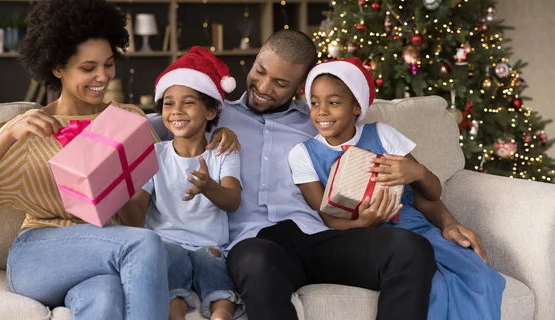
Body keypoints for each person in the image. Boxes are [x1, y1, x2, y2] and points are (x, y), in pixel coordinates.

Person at [150, 30, 440, 320]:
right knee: (255, 261)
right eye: (260, 71)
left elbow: (399, 167)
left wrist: (449, 222)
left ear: (301, 86)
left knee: (409, 248)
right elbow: (152, 125)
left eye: (280, 83)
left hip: (316, 235)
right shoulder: (213, 114)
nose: (263, 87)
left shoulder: (319, 120)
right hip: (252, 242)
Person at [0, 0, 170, 320]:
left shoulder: (130, 122)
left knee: (105, 298)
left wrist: (112, 179)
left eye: (108, 63)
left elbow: (136, 219)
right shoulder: (30, 129)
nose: (103, 77)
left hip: (103, 251)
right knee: (145, 245)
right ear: (57, 67)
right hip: (39, 253)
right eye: (88, 67)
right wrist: (6, 137)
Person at [288, 58, 506, 319]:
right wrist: (365, 222)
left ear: (356, 106)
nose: (321, 111)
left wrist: (418, 172)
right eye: (314, 102)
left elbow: (432, 194)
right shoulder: (304, 154)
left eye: (333, 102)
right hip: (364, 237)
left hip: (414, 225)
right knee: (431, 287)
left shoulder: (381, 134)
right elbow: (328, 220)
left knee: (482, 278)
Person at [124, 47, 244, 320]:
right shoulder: (154, 154)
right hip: (164, 242)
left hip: (209, 243)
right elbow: (135, 216)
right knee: (170, 260)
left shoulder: (224, 152)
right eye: (168, 103)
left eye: (188, 102)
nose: (176, 111)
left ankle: (221, 315)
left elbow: (233, 201)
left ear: (211, 111)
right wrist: (121, 192)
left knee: (211, 263)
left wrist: (208, 186)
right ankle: (174, 312)